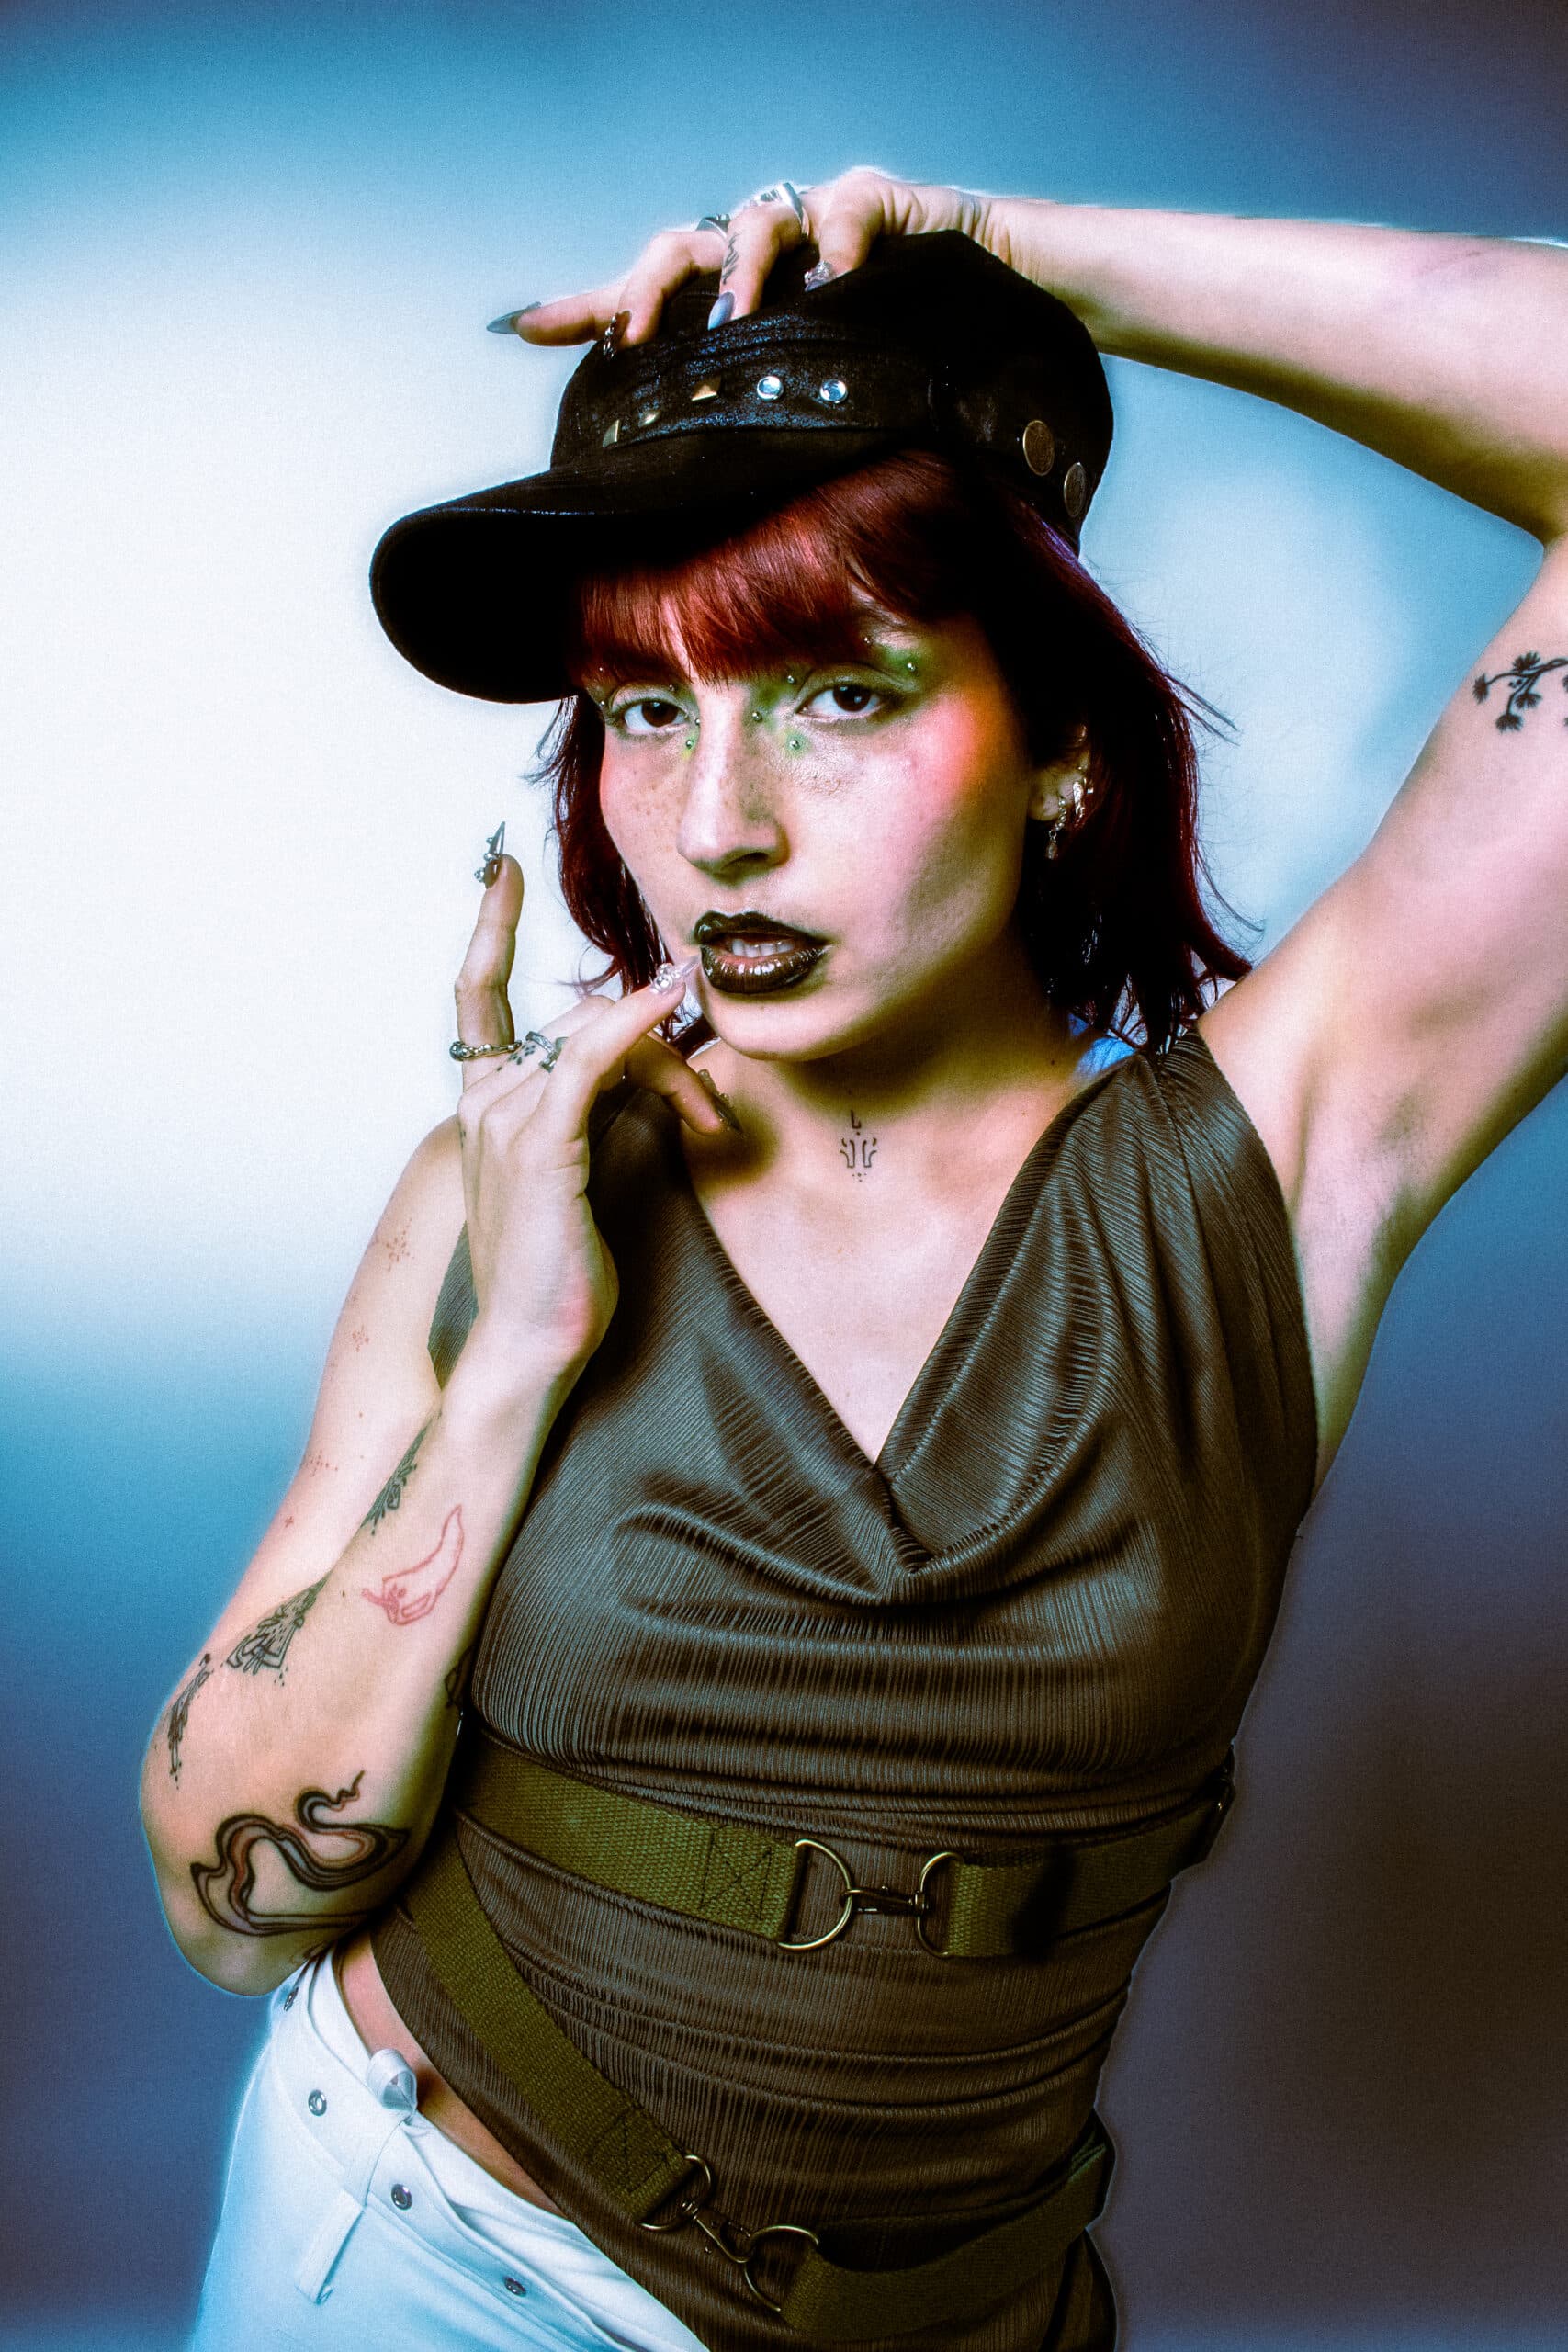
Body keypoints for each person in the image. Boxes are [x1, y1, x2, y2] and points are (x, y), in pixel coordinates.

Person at [141, 171, 1568, 2352]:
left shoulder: (1272, 1165)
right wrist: (515, 1355)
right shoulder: (504, 1193)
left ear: (1061, 746)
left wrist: (1010, 260)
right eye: (643, 709)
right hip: (429, 2260)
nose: (716, 823)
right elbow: (228, 1894)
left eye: (834, 695)